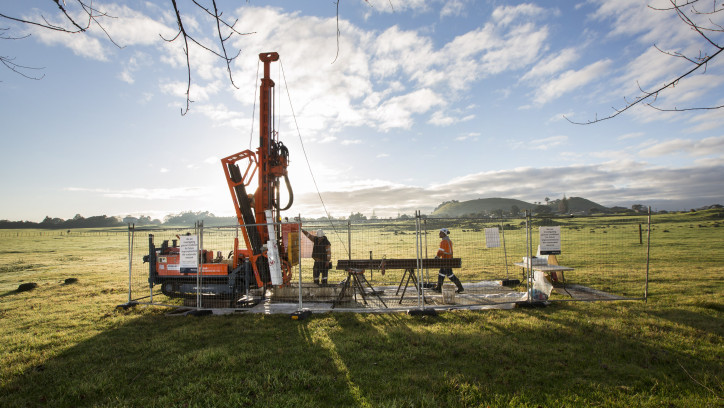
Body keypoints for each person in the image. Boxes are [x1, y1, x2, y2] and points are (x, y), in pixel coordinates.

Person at [433, 228, 464, 293]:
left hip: (445, 261)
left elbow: (441, 251)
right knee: (442, 273)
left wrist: (437, 257)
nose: (439, 234)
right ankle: (438, 288)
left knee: (450, 274)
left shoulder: (443, 241)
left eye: (440, 233)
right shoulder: (449, 241)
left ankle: (460, 287)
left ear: (444, 234)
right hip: (448, 260)